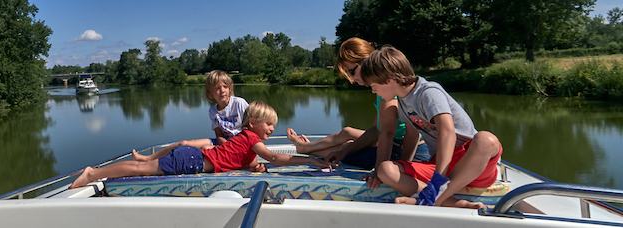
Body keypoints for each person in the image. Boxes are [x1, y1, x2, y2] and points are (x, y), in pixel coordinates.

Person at [69, 101, 334, 189]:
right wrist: (310, 160)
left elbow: (250, 161)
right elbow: (275, 158)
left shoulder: (246, 139)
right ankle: (93, 173)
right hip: (192, 161)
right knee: (141, 170)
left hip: (194, 156)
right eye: (268, 125)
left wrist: (254, 167)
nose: (272, 129)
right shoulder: (252, 139)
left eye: (274, 125)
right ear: (253, 123)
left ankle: (95, 173)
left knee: (143, 169)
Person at [359, 46, 502, 209]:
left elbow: (447, 132)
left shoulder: (428, 92)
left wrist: (438, 178)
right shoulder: (403, 101)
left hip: (471, 163)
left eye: (373, 85)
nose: (373, 91)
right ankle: (450, 201)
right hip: (440, 163)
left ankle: (434, 196)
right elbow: (411, 136)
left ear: (389, 80)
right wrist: (403, 167)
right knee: (385, 169)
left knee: (486, 139)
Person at [286, 37, 429, 186]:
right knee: (347, 146)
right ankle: (306, 149)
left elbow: (387, 132)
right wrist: (345, 150)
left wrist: (378, 172)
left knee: (348, 151)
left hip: (408, 152)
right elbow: (376, 130)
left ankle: (307, 151)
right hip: (400, 147)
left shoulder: (388, 88)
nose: (352, 78)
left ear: (365, 60)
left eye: (352, 71)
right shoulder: (384, 87)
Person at [132, 70, 250, 162]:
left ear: (230, 88)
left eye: (225, 87)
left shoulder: (239, 103)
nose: (222, 91)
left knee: (206, 149)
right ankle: (149, 159)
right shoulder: (213, 111)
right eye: (217, 88)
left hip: (241, 143)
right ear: (210, 93)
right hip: (224, 143)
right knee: (183, 143)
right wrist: (227, 146)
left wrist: (237, 146)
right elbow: (219, 135)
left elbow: (252, 127)